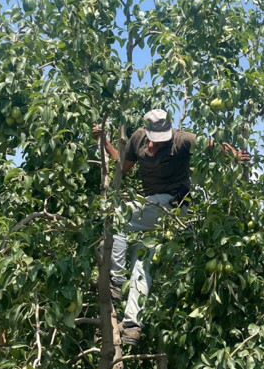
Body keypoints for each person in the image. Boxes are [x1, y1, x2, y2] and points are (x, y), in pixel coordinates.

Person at [92, 109, 250, 345]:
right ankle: (133, 325)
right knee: (141, 264)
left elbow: (213, 145)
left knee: (118, 214)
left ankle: (114, 280)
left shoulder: (181, 139)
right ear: (146, 131)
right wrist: (104, 140)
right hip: (150, 208)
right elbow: (121, 168)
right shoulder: (137, 138)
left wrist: (235, 155)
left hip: (173, 205)